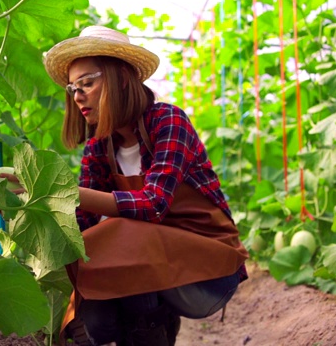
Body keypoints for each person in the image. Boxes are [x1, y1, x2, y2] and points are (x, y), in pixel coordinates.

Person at [43, 25, 249, 346]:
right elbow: (81, 225)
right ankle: (147, 325)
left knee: (125, 229)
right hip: (157, 263)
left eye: (87, 83)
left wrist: (67, 194)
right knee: (95, 306)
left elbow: (153, 205)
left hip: (209, 273)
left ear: (122, 78)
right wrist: (34, 205)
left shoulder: (168, 121)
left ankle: (150, 329)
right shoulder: (99, 146)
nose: (78, 95)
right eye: (73, 88)